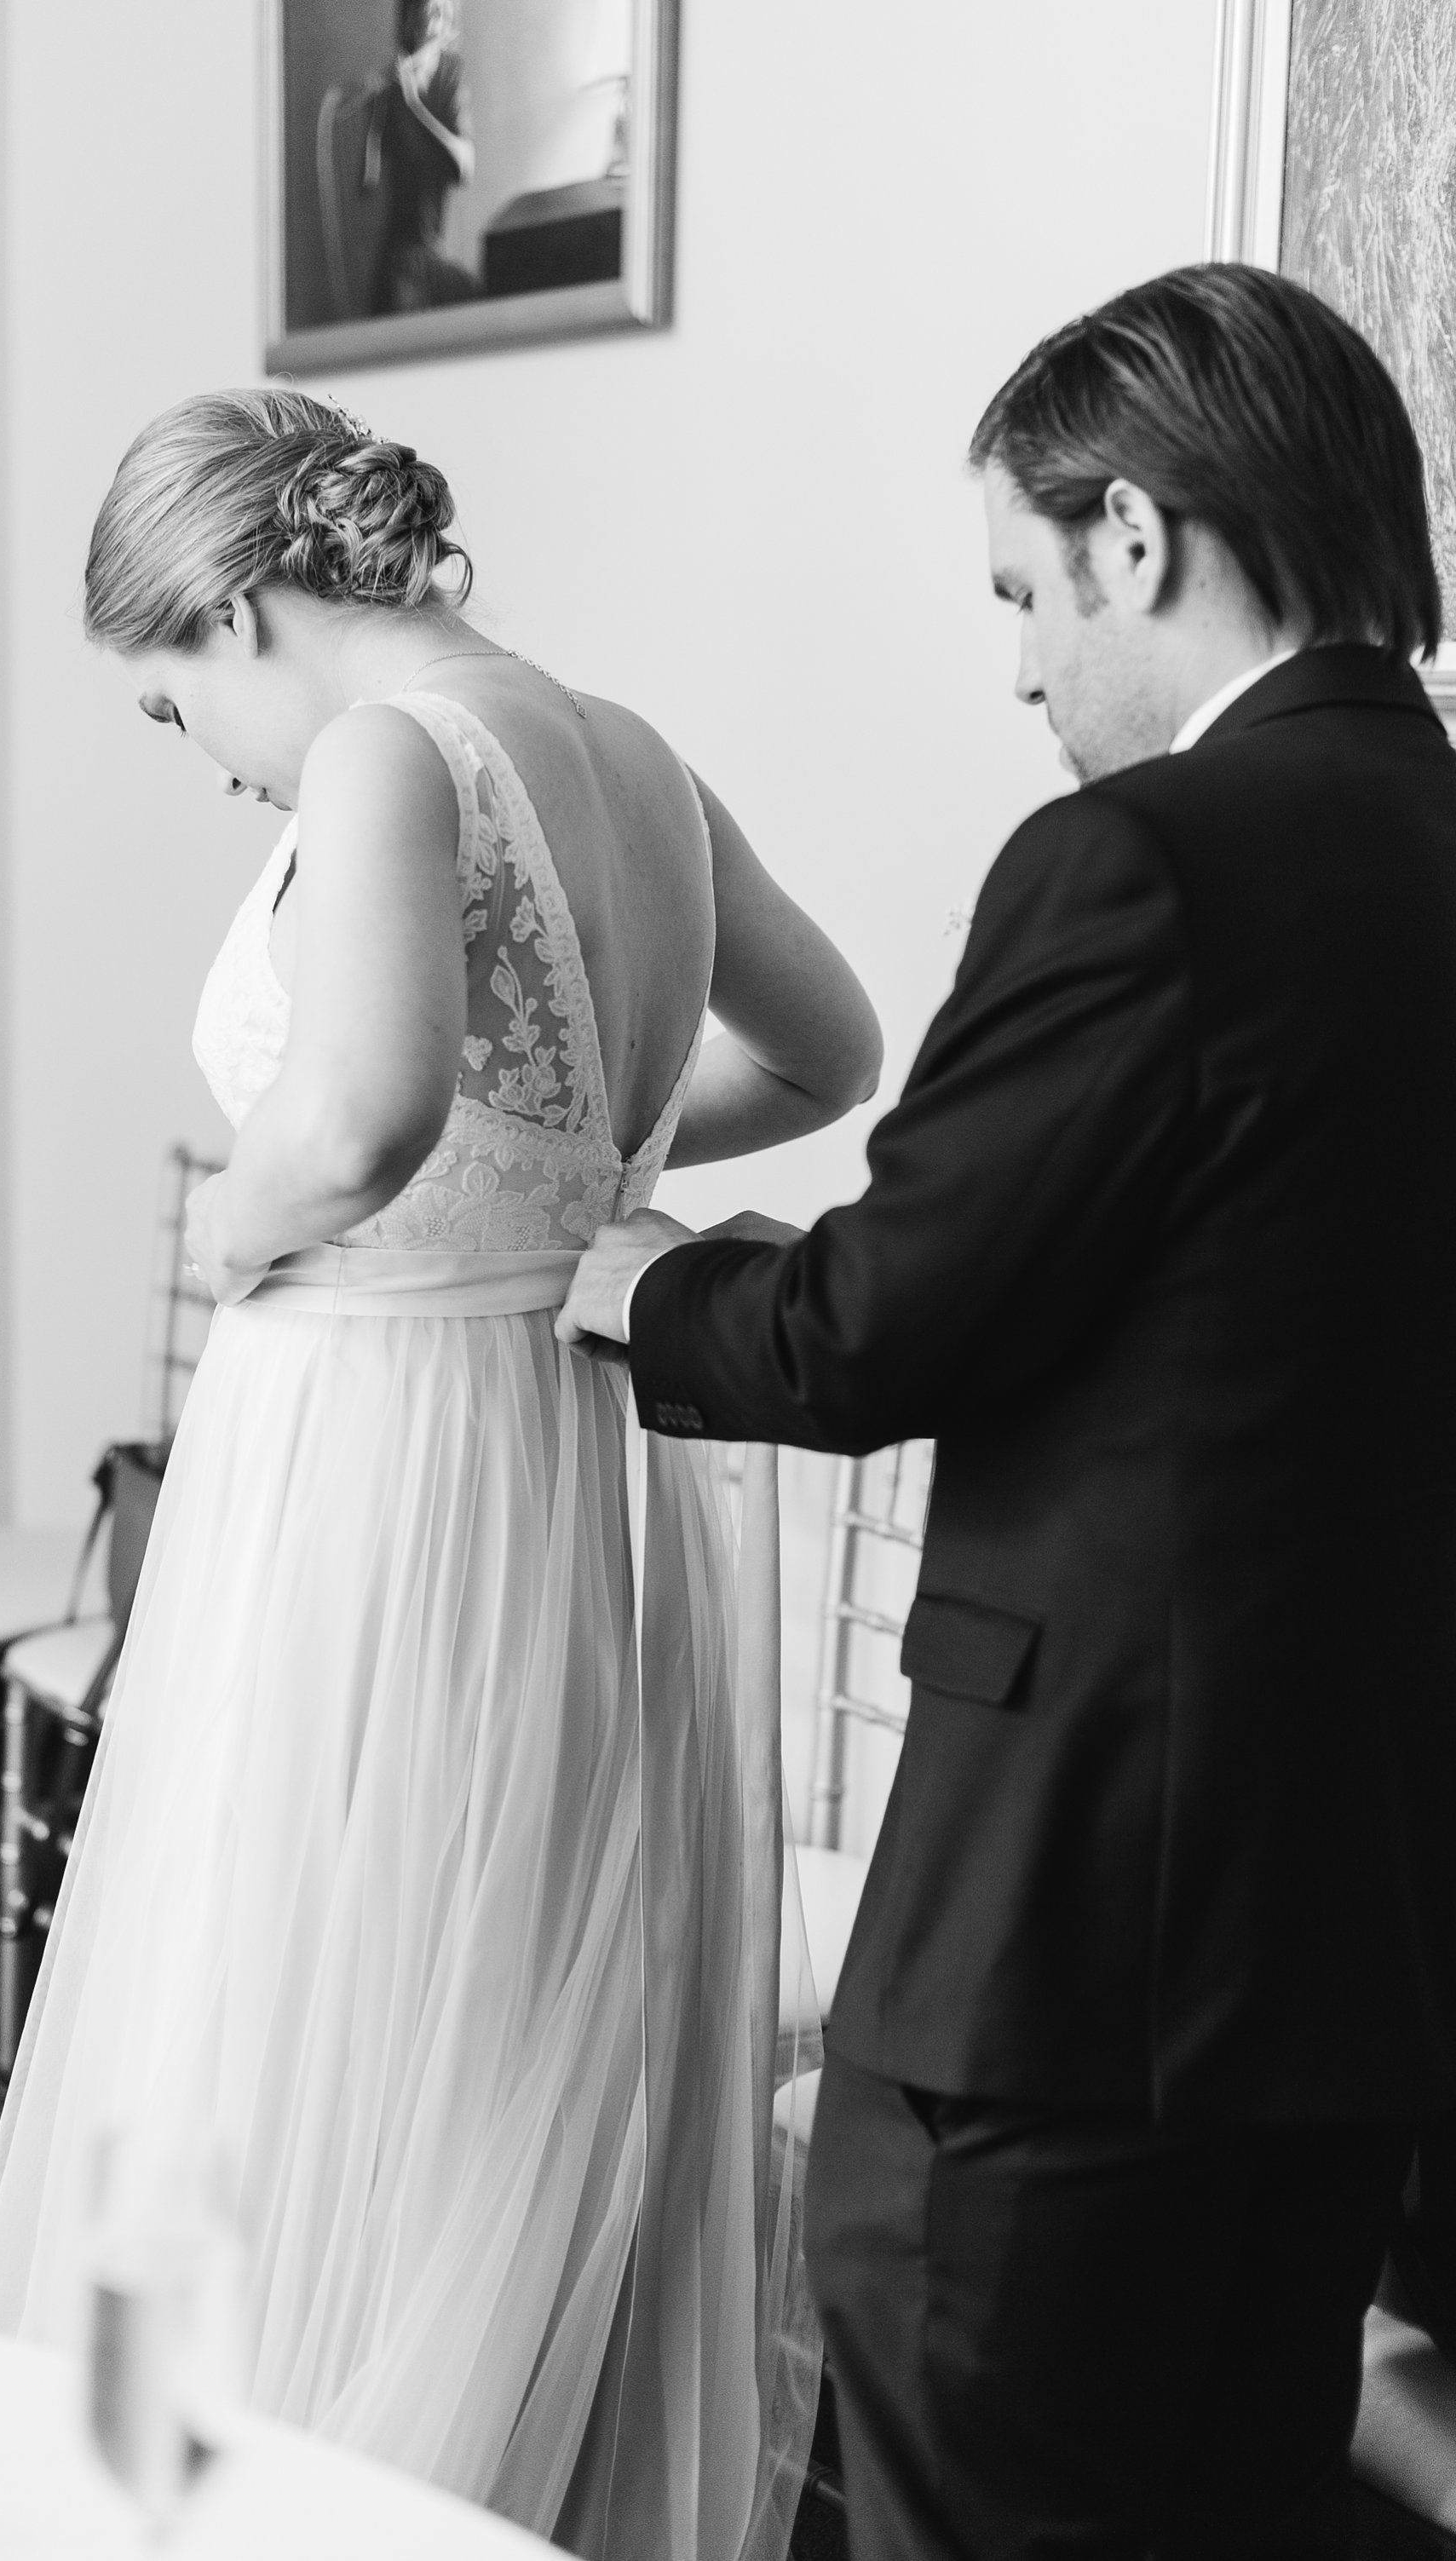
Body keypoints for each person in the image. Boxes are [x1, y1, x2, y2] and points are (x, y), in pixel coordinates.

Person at [561, 263, 1456, 2558]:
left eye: (1025, 593)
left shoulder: (1148, 860)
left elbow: (878, 1321)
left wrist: (640, 1285)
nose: (1027, 670)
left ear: (1136, 534)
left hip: (1066, 1959)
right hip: (1355, 1938)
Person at [0, 387, 882, 2561]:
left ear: (244, 600)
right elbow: (827, 1052)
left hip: (371, 1442)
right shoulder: (634, 755)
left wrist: (231, 1224)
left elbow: (357, 1114)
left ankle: (289, 2497)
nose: (210, 763)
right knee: (471, 1994)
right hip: (552, 1433)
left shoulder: (387, 755)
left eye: (181, 706)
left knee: (293, 1985)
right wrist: (568, 1185)